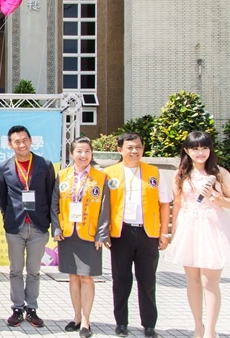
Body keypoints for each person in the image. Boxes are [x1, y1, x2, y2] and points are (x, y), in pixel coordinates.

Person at [104, 132, 171, 338]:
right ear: (120, 150)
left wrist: (165, 233)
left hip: (147, 233)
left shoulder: (154, 173)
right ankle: (121, 322)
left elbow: (165, 204)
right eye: (130, 147)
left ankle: (149, 325)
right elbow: (103, 206)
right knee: (121, 280)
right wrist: (104, 232)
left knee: (147, 280)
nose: (134, 151)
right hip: (120, 232)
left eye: (138, 147)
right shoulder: (109, 173)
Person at [165, 131, 230, 338]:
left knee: (209, 281)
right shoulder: (180, 173)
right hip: (189, 227)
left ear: (210, 149)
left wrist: (217, 197)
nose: (200, 152)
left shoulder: (220, 173)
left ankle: (211, 330)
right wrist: (173, 234)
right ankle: (198, 326)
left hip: (213, 227)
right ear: (187, 150)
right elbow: (177, 205)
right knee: (192, 280)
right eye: (195, 148)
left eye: (204, 148)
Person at [0, 125, 56, 328]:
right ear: (10, 144)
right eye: (17, 141)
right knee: (15, 270)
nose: (21, 144)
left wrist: (49, 221)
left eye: (24, 140)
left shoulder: (44, 164)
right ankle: (16, 308)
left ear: (31, 141)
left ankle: (32, 309)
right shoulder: (4, 167)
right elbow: (2, 199)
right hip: (15, 227)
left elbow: (50, 195)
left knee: (34, 271)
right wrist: (8, 218)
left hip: (38, 227)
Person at [51, 136, 110, 337]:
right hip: (68, 234)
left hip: (90, 234)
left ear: (91, 153)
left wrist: (102, 235)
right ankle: (76, 317)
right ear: (71, 154)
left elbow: (105, 207)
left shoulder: (101, 177)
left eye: (87, 151)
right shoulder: (62, 176)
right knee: (73, 277)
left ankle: (86, 320)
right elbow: (55, 204)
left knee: (87, 278)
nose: (83, 155)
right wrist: (56, 229)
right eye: (79, 151)